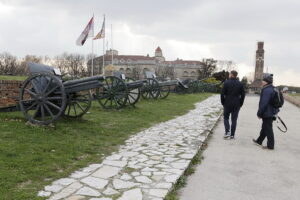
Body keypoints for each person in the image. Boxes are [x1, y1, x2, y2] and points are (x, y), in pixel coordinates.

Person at [253, 74, 279, 150]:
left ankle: (270, 146)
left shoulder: (267, 90)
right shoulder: (272, 88)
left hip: (267, 112)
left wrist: (259, 113)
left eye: (263, 80)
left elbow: (264, 103)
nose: (262, 81)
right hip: (271, 112)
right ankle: (259, 141)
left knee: (268, 129)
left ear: (266, 82)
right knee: (265, 127)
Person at [221, 70, 245, 139]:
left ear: (231, 75)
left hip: (227, 103)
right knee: (234, 120)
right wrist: (241, 103)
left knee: (226, 118)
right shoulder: (240, 84)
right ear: (236, 75)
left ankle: (227, 131)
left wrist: (223, 102)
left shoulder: (226, 83)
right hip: (236, 103)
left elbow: (222, 94)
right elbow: (243, 95)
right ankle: (232, 135)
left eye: (229, 74)